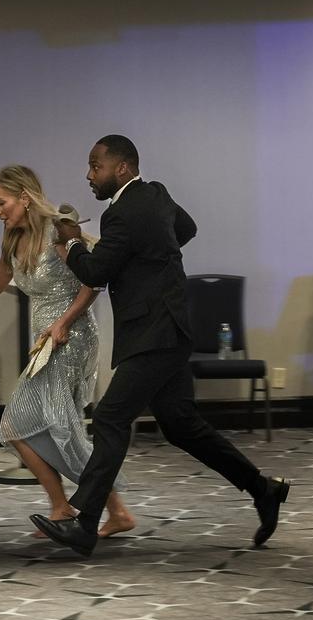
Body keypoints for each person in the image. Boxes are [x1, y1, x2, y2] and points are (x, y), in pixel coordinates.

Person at [31, 135, 290, 557]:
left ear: (123, 168)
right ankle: (263, 489)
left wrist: (71, 242)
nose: (88, 175)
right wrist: (151, 260)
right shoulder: (156, 195)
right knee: (181, 426)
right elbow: (185, 229)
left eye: (96, 166)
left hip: (153, 332)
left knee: (112, 418)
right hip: (170, 328)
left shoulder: (124, 214)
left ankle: (84, 521)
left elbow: (94, 271)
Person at [0, 165, 135, 538]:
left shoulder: (56, 231)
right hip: (45, 343)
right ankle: (91, 509)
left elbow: (91, 282)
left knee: (26, 425)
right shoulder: (13, 236)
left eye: (2, 202)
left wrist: (63, 323)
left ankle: (75, 508)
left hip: (71, 337)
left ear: (24, 197)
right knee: (38, 427)